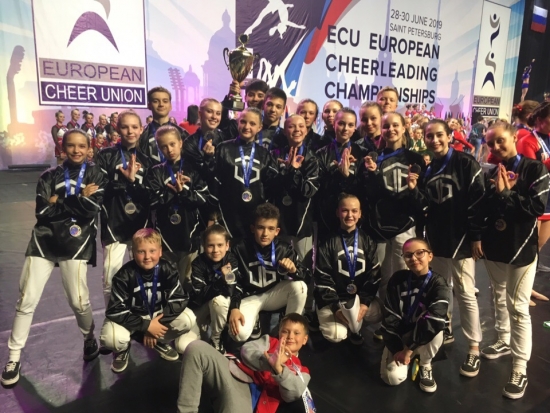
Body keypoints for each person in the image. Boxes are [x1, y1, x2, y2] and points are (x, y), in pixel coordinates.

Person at [1, 129, 107, 386]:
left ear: (89, 148)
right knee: (26, 299)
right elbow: (42, 212)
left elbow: (91, 209)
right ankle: (13, 356)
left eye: (81, 146)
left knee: (79, 302)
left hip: (76, 244)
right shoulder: (48, 176)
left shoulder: (97, 174)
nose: (76, 150)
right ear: (62, 148)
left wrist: (59, 202)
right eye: (71, 145)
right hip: (44, 242)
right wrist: (79, 198)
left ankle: (89, 338)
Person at [479, 121, 549, 399]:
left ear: (514, 137)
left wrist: (506, 194)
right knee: (497, 295)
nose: (496, 147)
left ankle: (520, 367)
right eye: (491, 143)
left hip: (521, 249)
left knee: (518, 308)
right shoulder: (490, 170)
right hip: (494, 247)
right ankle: (503, 339)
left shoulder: (535, 169)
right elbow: (485, 207)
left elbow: (535, 208)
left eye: (500, 140)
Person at [417, 119, 484, 378]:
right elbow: (427, 205)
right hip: (437, 238)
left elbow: (478, 200)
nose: (434, 140)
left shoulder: (466, 163)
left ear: (449, 136)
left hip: (462, 238)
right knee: (441, 287)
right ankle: (445, 327)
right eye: (429, 136)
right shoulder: (429, 168)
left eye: (439, 135)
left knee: (465, 291)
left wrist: (476, 236)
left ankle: (474, 347)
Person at [99, 228, 196, 373]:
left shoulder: (167, 268)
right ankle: (122, 349)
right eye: (141, 251)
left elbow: (180, 299)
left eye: (152, 251)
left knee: (188, 319)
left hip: (157, 316)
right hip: (132, 319)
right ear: (133, 252)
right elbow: (114, 310)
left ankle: (159, 341)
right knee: (111, 338)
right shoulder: (124, 275)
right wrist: (146, 327)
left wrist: (155, 325)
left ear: (160, 251)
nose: (147, 257)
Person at [177, 313, 313, 413]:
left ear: (305, 339)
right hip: (234, 376)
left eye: (296, 333)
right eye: (285, 331)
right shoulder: (270, 342)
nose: (290, 336)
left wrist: (279, 369)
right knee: (196, 348)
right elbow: (247, 350)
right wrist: (268, 361)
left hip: (248, 401)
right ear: (279, 332)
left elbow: (292, 393)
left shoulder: (303, 371)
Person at [361, 112, 425, 308]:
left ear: (404, 127)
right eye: (386, 126)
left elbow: (421, 198)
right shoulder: (374, 158)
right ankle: (387, 316)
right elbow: (370, 195)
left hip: (405, 226)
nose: (391, 129)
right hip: (380, 227)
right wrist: (372, 174)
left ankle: (404, 315)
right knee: (382, 277)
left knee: (404, 274)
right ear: (381, 129)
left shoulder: (416, 159)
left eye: (395, 125)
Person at [228, 203, 309, 343]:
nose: (265, 233)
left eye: (271, 229)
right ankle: (255, 318)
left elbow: (307, 277)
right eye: (261, 227)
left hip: (273, 294)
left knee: (300, 287)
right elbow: (233, 282)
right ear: (253, 228)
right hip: (249, 297)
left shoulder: (284, 249)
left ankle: (287, 328)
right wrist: (234, 308)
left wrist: (294, 271)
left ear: (277, 231)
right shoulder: (239, 249)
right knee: (238, 334)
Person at [96, 110, 152, 305]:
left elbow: (150, 194)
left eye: (134, 127)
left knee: (143, 276)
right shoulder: (105, 156)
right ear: (118, 129)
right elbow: (99, 189)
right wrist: (123, 181)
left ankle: (141, 316)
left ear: (141, 129)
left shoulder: (148, 159)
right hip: (114, 225)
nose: (130, 131)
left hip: (141, 224)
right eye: (125, 127)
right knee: (110, 278)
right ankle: (113, 318)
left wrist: (133, 183)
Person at [142, 125, 209, 288]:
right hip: (165, 237)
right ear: (159, 148)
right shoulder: (155, 172)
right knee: (168, 283)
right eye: (164, 146)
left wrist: (183, 191)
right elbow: (152, 201)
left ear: (180, 143)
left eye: (172, 144)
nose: (169, 149)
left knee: (189, 282)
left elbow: (203, 198)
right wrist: (173, 191)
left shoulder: (193, 169)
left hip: (190, 235)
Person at [380, 238, 450, 393]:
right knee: (392, 378)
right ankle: (409, 357)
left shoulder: (439, 283)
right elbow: (390, 315)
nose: (414, 258)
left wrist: (408, 350)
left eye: (420, 253)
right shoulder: (397, 279)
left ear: (430, 256)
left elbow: (435, 319)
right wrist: (397, 349)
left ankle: (425, 363)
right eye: (408, 255)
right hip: (401, 335)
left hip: (424, 336)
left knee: (437, 326)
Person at [314, 193, 381, 344]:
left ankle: (355, 326)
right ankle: (337, 322)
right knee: (335, 334)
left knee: (379, 312)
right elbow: (322, 278)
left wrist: (364, 302)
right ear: (337, 213)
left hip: (356, 299)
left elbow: (374, 275)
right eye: (345, 210)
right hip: (334, 300)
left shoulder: (368, 241)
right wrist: (336, 308)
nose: (350, 215)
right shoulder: (327, 242)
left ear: (360, 213)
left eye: (354, 211)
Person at [208, 107, 279, 239]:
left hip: (255, 216)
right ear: (238, 123)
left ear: (259, 127)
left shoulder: (265, 154)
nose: (247, 127)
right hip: (227, 214)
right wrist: (213, 215)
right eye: (243, 122)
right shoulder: (223, 148)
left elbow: (271, 188)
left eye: (252, 123)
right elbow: (214, 184)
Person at [182, 224, 240, 353]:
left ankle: (216, 339)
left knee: (219, 301)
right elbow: (200, 296)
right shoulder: (198, 263)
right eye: (210, 245)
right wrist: (221, 281)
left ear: (227, 245)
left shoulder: (231, 260)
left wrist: (234, 307)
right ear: (203, 245)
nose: (215, 250)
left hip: (221, 305)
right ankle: (204, 329)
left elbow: (231, 291)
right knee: (182, 346)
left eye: (220, 245)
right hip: (201, 306)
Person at [271, 115, 319, 261]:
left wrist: (294, 171)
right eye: (291, 126)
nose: (297, 130)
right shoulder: (275, 155)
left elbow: (308, 191)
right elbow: (271, 187)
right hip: (279, 221)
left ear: (306, 131)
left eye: (301, 126)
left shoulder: (312, 158)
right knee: (280, 262)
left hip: (301, 222)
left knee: (303, 264)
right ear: (284, 131)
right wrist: (287, 171)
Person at [315, 107, 365, 238]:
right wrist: (338, 175)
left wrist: (347, 176)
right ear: (334, 124)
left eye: (350, 125)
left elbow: (364, 186)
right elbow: (319, 186)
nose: (345, 128)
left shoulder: (362, 152)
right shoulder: (321, 153)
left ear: (355, 128)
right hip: (328, 214)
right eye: (341, 123)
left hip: (353, 215)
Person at [138, 86, 189, 164]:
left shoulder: (182, 133)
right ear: (149, 105)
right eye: (156, 101)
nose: (161, 104)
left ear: (170, 106)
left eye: (165, 101)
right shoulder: (142, 135)